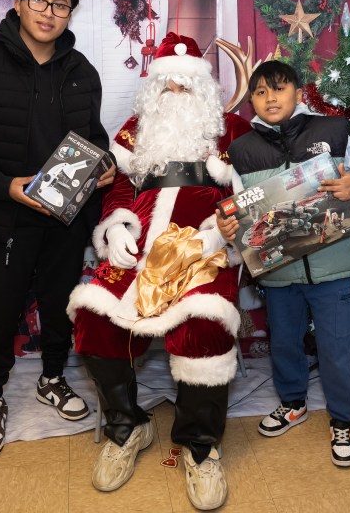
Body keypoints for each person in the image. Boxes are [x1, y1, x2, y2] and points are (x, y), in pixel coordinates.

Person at [67, 33, 251, 510]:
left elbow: (253, 189)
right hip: (141, 249)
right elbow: (118, 188)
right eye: (168, 83)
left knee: (204, 325)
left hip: (202, 249)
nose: (176, 92)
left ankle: (199, 444)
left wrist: (219, 230)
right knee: (93, 317)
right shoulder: (134, 128)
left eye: (186, 84)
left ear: (204, 89)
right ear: (154, 86)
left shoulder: (231, 129)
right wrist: (117, 226)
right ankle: (128, 427)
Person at [0, 0, 115, 458]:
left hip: (64, 217)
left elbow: (95, 140)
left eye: (60, 5)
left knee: (61, 304)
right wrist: (4, 187)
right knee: (1, 309)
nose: (49, 12)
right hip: (6, 214)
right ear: (18, 3)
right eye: (39, 1)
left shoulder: (81, 70)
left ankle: (54, 379)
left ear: (68, 15)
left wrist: (106, 166)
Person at [218, 60, 350, 467]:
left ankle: (342, 419)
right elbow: (239, 214)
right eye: (261, 92)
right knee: (285, 342)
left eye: (280, 88)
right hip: (279, 272)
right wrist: (227, 224)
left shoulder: (332, 130)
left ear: (298, 91)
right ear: (251, 99)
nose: (271, 98)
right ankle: (293, 403)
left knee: (337, 345)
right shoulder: (241, 151)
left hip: (332, 267)